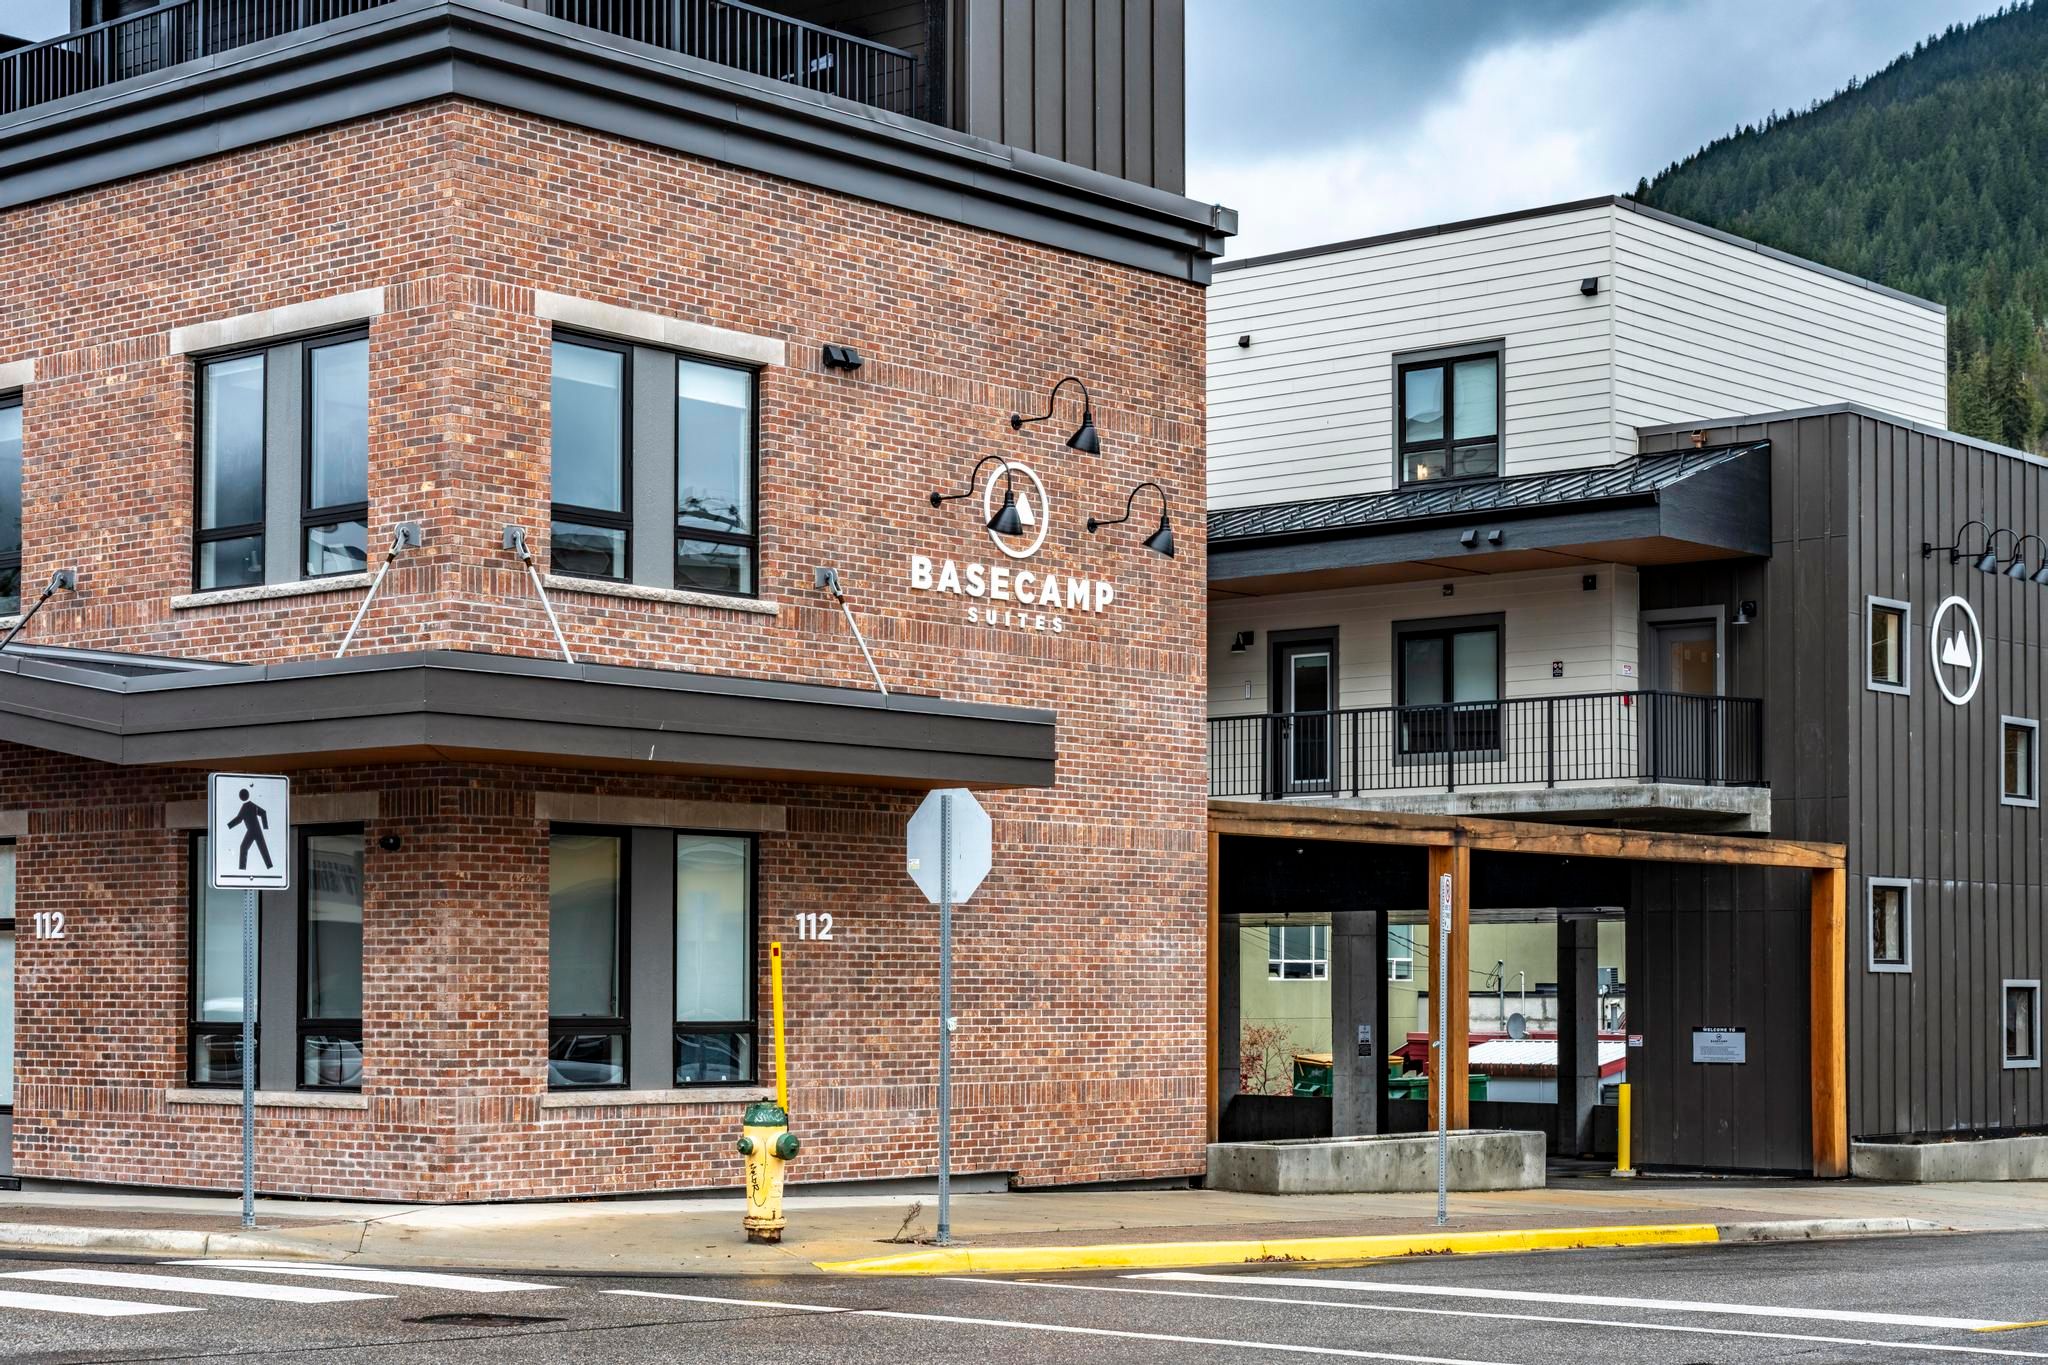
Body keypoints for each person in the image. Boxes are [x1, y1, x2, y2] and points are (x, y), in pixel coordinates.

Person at [227, 787, 272, 872]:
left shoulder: (247, 806)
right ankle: (244, 869)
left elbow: (239, 819)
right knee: (260, 848)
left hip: (253, 830)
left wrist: (265, 827)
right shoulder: (250, 805)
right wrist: (265, 827)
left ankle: (242, 868)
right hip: (255, 830)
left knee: (245, 847)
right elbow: (262, 812)